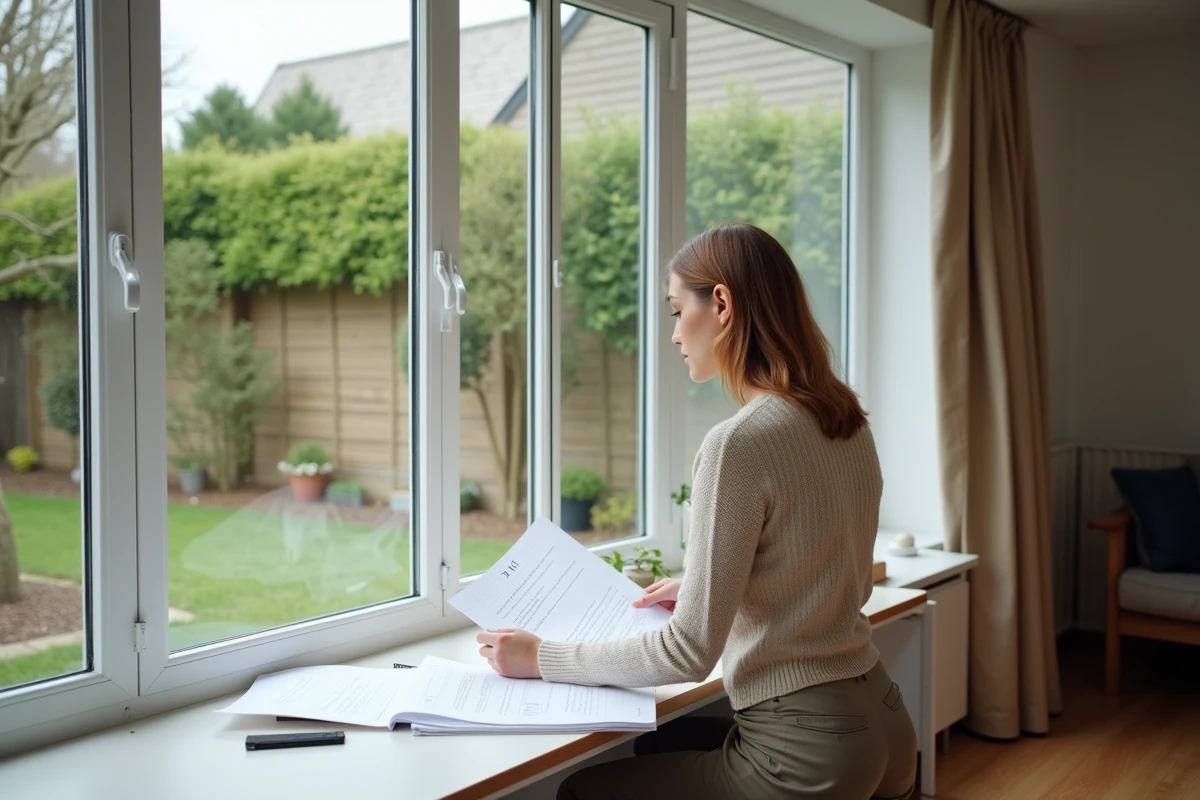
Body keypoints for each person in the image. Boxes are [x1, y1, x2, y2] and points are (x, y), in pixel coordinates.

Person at [476, 223, 917, 800]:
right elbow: (826, 568)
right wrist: (703, 586)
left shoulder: (739, 442)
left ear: (722, 304)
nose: (675, 333)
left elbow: (687, 652)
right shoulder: (844, 418)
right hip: (883, 720)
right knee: (659, 743)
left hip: (808, 750)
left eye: (676, 309)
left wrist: (541, 657)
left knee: (582, 792)